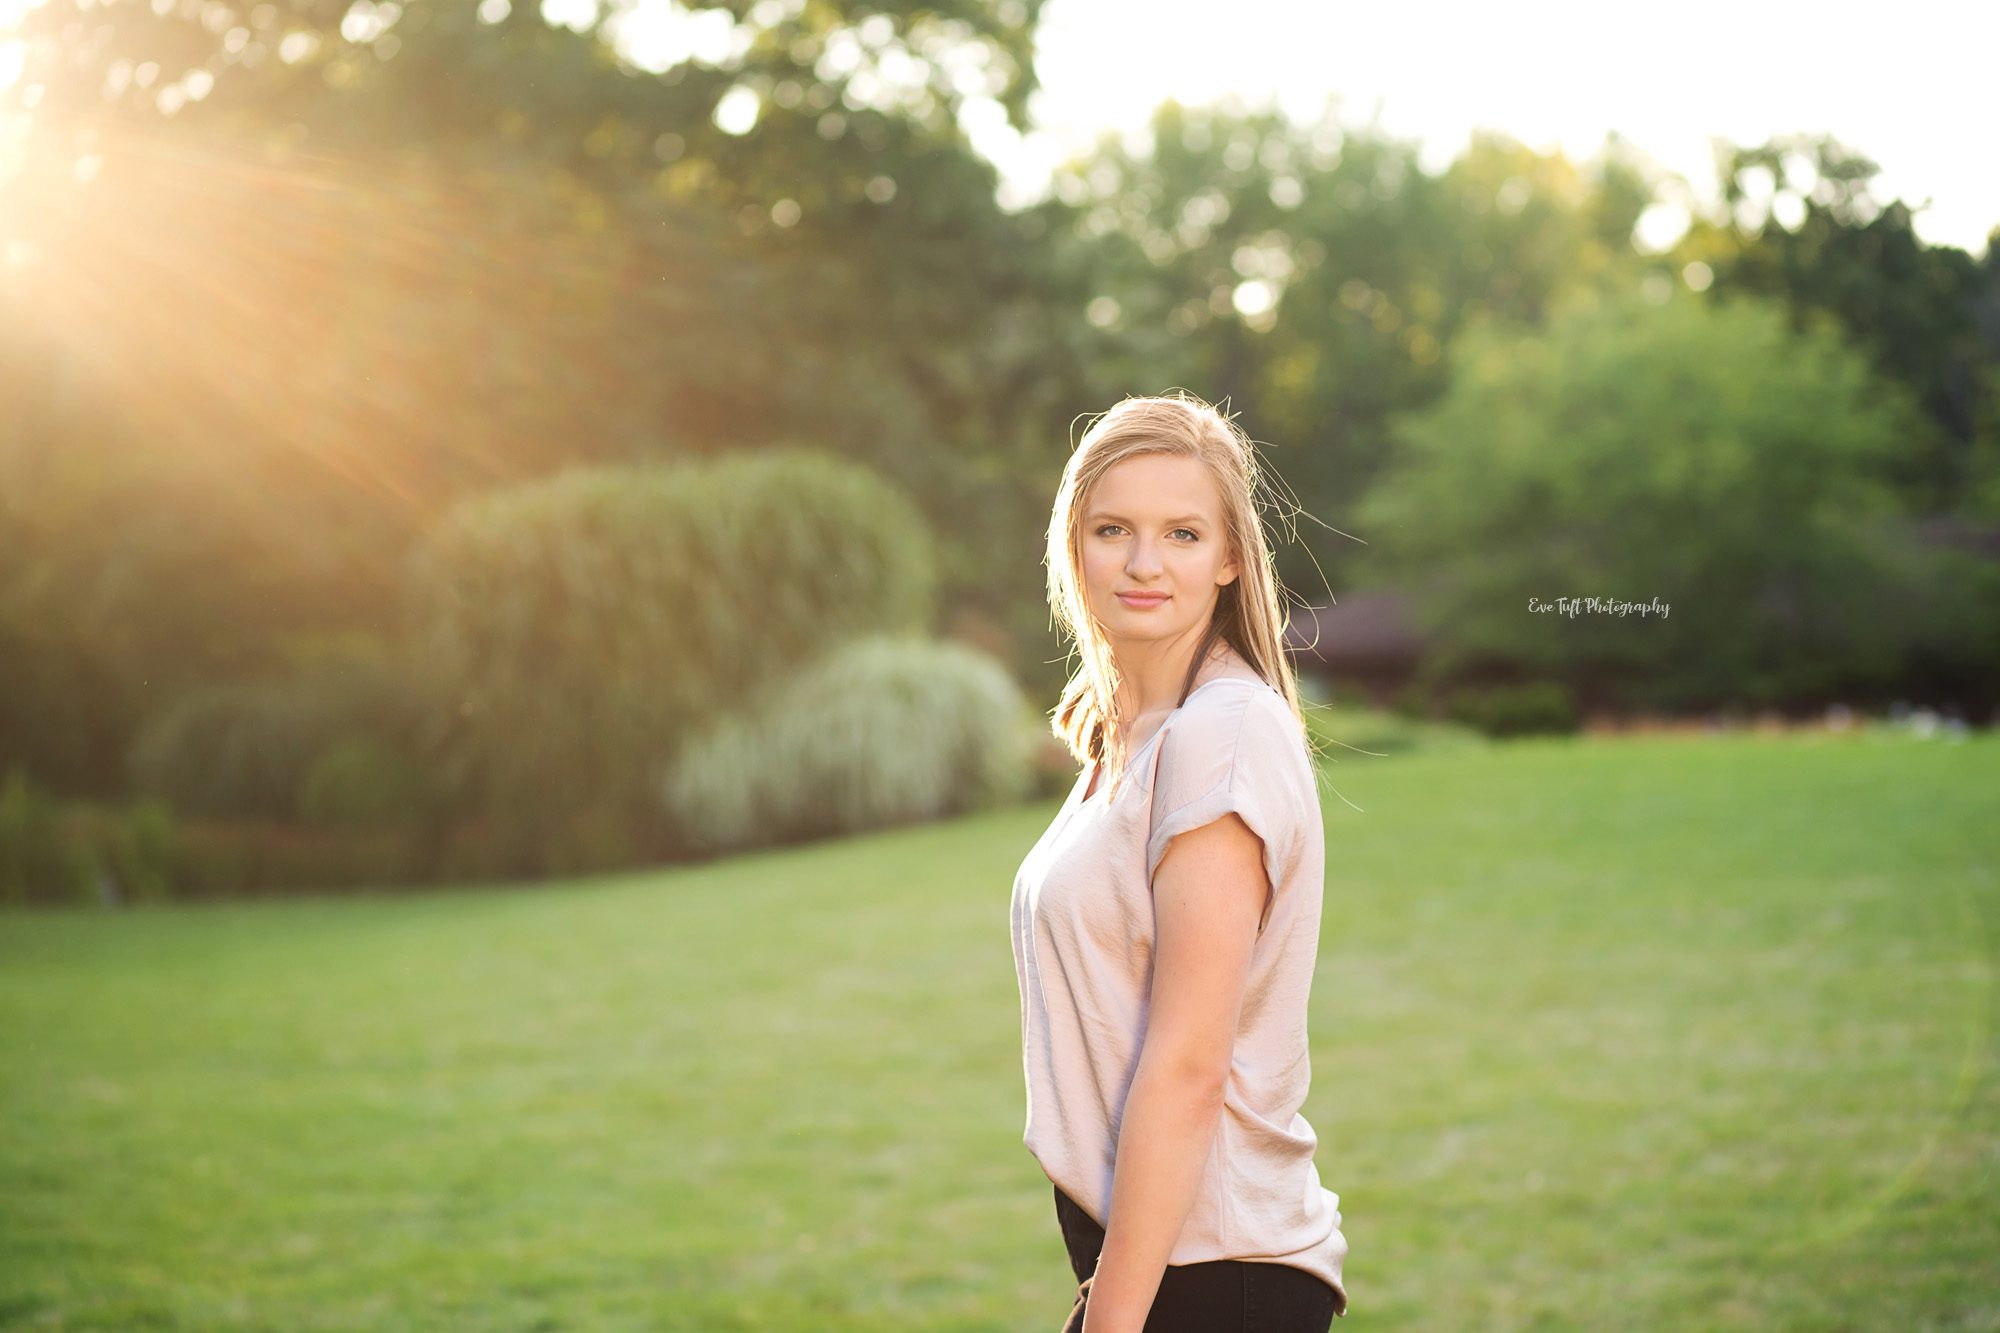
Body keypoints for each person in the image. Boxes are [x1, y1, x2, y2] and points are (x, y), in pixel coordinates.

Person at [1010, 392, 1350, 1332]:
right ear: (1073, 544)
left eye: (1183, 534)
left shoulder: (1220, 735)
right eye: (1113, 529)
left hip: (1215, 1270)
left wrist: (1111, 1322)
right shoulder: (1135, 736)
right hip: (1166, 1258)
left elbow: (1191, 1063)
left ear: (1231, 556)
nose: (1144, 563)